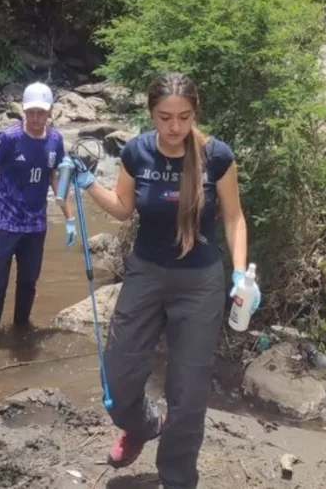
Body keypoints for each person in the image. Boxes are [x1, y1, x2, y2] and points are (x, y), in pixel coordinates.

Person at [68, 71, 260, 489]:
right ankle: (141, 425)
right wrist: (88, 183)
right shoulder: (136, 152)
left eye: (184, 117)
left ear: (195, 113)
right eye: (165, 117)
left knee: (188, 394)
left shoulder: (217, 156)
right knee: (117, 378)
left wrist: (240, 272)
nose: (175, 127)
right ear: (151, 113)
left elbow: (233, 217)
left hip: (200, 283)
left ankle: (177, 478)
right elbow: (123, 208)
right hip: (146, 275)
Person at [0, 82, 76, 338]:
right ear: (24, 111)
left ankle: (21, 331)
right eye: (31, 112)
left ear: (50, 111)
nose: (36, 118)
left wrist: (69, 218)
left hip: (35, 225)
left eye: (41, 113)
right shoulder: (8, 138)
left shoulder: (55, 140)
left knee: (28, 282)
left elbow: (54, 177)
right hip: (2, 223)